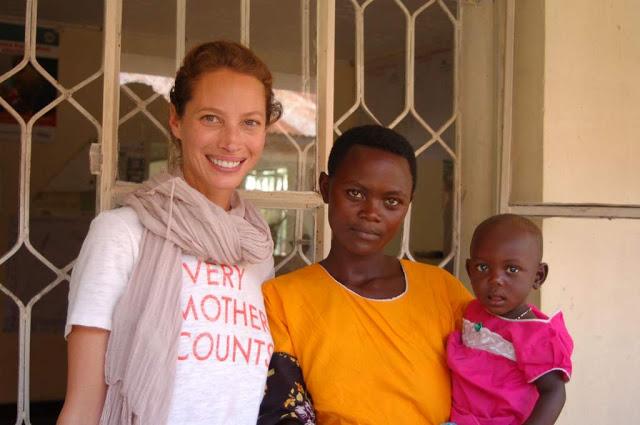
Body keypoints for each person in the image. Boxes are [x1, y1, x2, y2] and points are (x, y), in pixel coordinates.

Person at [57, 40, 282, 425]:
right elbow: (81, 407)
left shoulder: (256, 249)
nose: (231, 141)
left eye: (249, 122)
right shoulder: (121, 235)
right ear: (176, 121)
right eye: (211, 118)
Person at [258, 125, 473, 425]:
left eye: (392, 202)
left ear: (408, 203)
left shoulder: (442, 290)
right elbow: (284, 411)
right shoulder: (283, 298)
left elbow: (493, 384)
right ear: (325, 187)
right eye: (355, 193)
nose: (371, 212)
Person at [446, 214, 573, 425]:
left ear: (538, 277)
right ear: (469, 270)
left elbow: (554, 392)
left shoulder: (536, 335)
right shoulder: (472, 310)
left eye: (512, 269)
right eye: (482, 267)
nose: (495, 279)